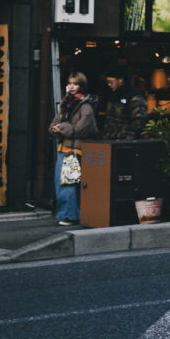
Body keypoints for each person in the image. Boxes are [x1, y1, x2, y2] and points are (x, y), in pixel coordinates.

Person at [48, 72, 98, 225]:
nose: (71, 87)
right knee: (64, 182)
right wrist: (57, 129)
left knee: (68, 183)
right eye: (69, 83)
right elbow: (52, 127)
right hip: (65, 149)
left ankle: (70, 216)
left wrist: (61, 128)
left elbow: (83, 129)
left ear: (81, 86)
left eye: (75, 84)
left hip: (75, 151)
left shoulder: (86, 106)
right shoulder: (66, 103)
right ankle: (71, 214)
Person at [102, 65, 148, 140]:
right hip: (111, 142)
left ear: (120, 80)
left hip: (126, 144)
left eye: (111, 82)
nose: (109, 85)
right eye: (108, 82)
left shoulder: (134, 96)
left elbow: (139, 122)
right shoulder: (112, 96)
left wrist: (128, 139)